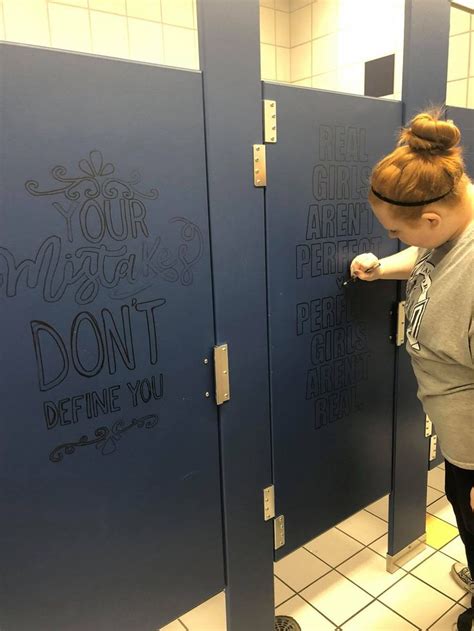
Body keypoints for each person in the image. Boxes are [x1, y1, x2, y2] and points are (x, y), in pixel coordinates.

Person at [350, 110, 473, 631]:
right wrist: (383, 266)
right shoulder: (453, 225)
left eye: (397, 231)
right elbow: (428, 262)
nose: (397, 238)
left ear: (430, 221)